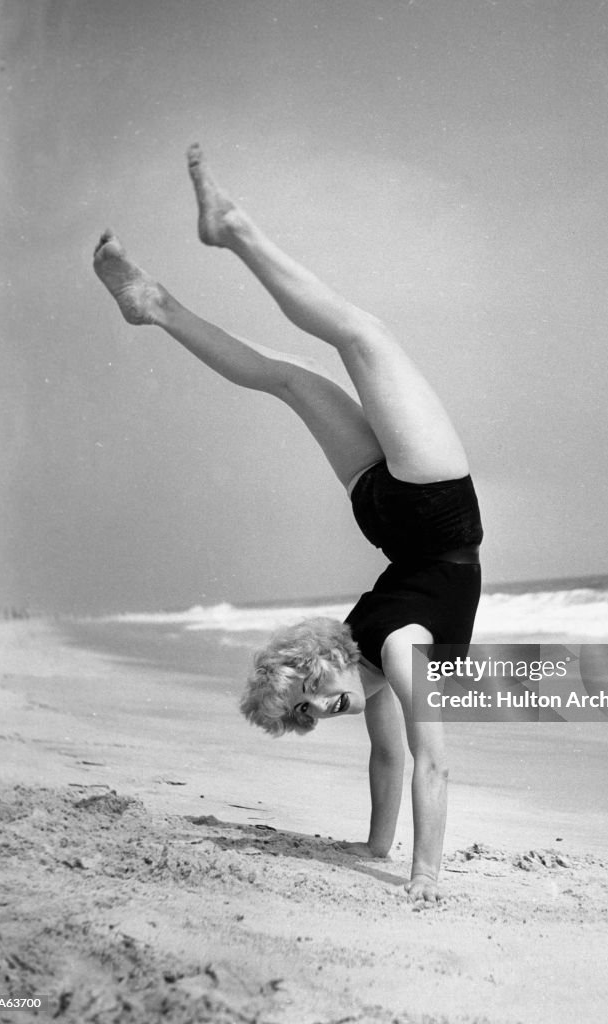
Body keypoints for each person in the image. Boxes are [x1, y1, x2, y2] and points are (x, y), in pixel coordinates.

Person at [94, 144, 483, 902]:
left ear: (316, 661)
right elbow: (391, 760)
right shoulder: (375, 663)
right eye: (308, 714)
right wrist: (376, 846)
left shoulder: (398, 652)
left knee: (361, 335)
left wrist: (426, 877)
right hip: (385, 509)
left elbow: (432, 763)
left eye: (309, 694)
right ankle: (156, 305)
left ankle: (234, 228)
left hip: (430, 504)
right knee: (287, 377)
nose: (323, 708)